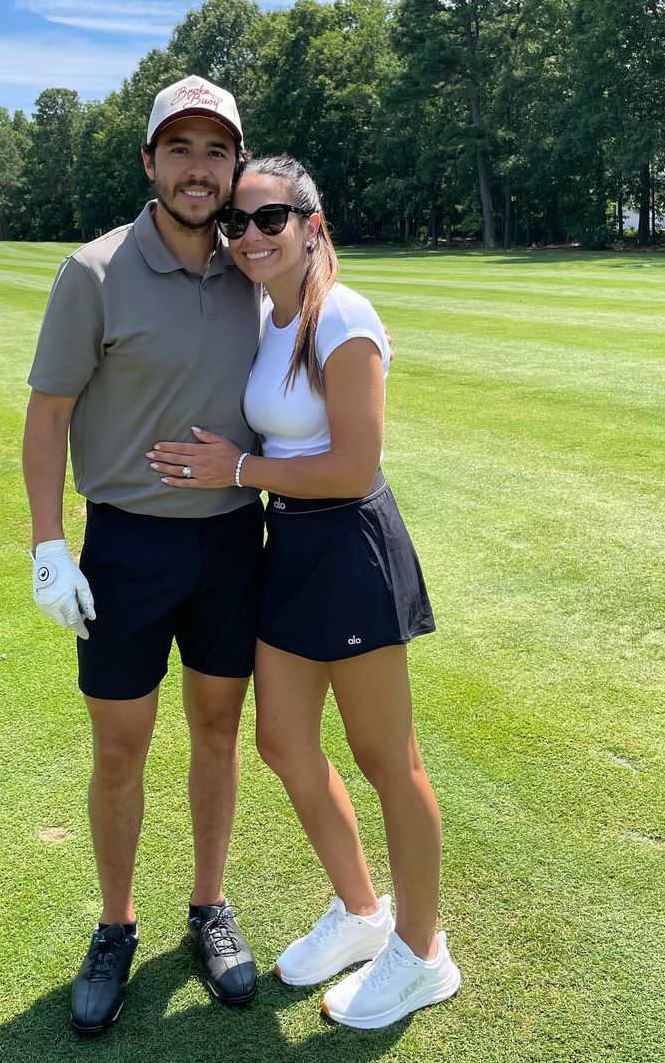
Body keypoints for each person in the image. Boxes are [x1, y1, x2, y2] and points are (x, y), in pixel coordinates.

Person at [147, 154, 460, 1030]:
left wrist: (236, 469)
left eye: (270, 218)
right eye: (235, 223)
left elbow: (357, 464)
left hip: (350, 546)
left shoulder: (341, 318)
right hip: (289, 544)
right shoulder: (271, 315)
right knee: (284, 742)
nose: (249, 235)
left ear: (311, 224)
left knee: (386, 760)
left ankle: (422, 954)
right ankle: (364, 914)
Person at [22, 75, 264, 1037]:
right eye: (180, 150)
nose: (198, 170)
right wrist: (49, 544)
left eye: (215, 151)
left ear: (233, 164)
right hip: (125, 546)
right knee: (120, 747)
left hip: (233, 542)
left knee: (217, 731)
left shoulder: (256, 263)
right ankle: (116, 923)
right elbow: (48, 413)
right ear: (149, 162)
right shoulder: (96, 271)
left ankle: (208, 905)